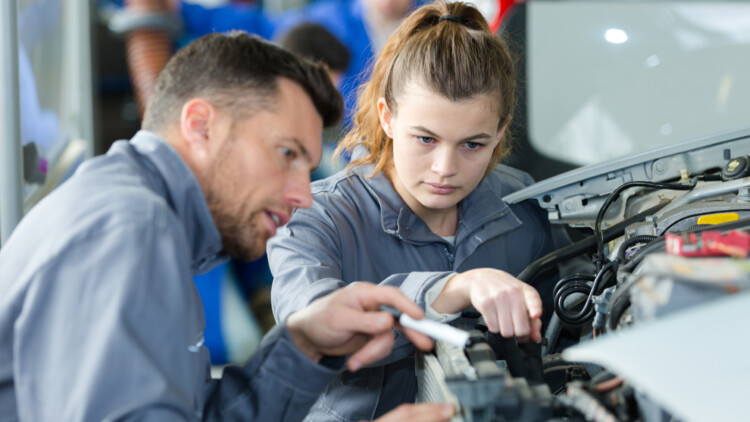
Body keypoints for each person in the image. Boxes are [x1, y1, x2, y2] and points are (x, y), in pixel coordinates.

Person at [0, 32, 455, 421]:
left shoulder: (147, 224)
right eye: (286, 155)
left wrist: (301, 345)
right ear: (201, 125)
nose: (302, 195)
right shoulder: (125, 230)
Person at [267, 2, 555, 420]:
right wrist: (450, 289)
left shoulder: (524, 209)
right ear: (387, 117)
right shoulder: (317, 217)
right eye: (425, 139)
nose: (445, 168)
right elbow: (311, 327)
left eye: (472, 144)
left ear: (501, 131)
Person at [180, 0, 418, 124]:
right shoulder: (330, 19)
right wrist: (181, 10)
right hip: (346, 149)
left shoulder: (433, 24)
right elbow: (261, 26)